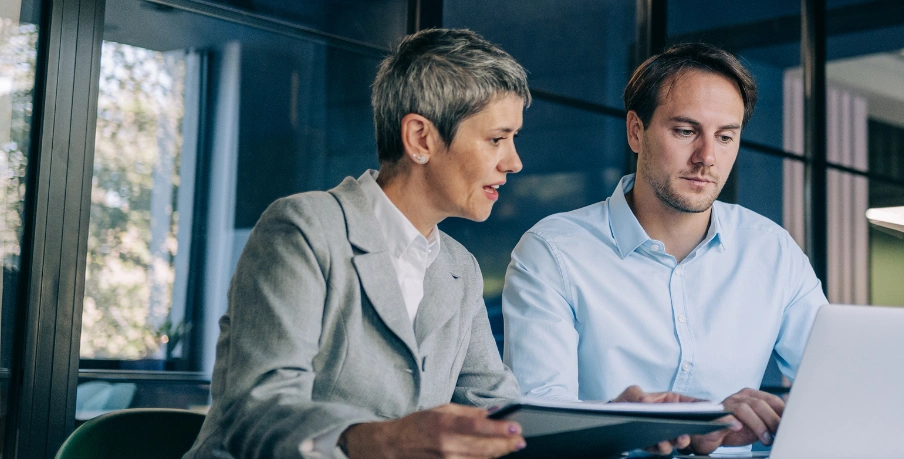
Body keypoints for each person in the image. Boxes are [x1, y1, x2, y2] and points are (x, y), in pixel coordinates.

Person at [184, 28, 531, 459]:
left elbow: (503, 414)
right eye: (497, 139)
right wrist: (384, 440)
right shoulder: (304, 229)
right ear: (421, 138)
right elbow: (258, 412)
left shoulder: (460, 268)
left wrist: (612, 421)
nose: (514, 161)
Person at [501, 42, 829, 455]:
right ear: (636, 131)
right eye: (686, 131)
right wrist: (638, 423)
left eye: (725, 136)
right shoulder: (552, 251)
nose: (706, 157)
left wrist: (781, 421)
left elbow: (838, 384)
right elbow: (540, 425)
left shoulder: (771, 250)